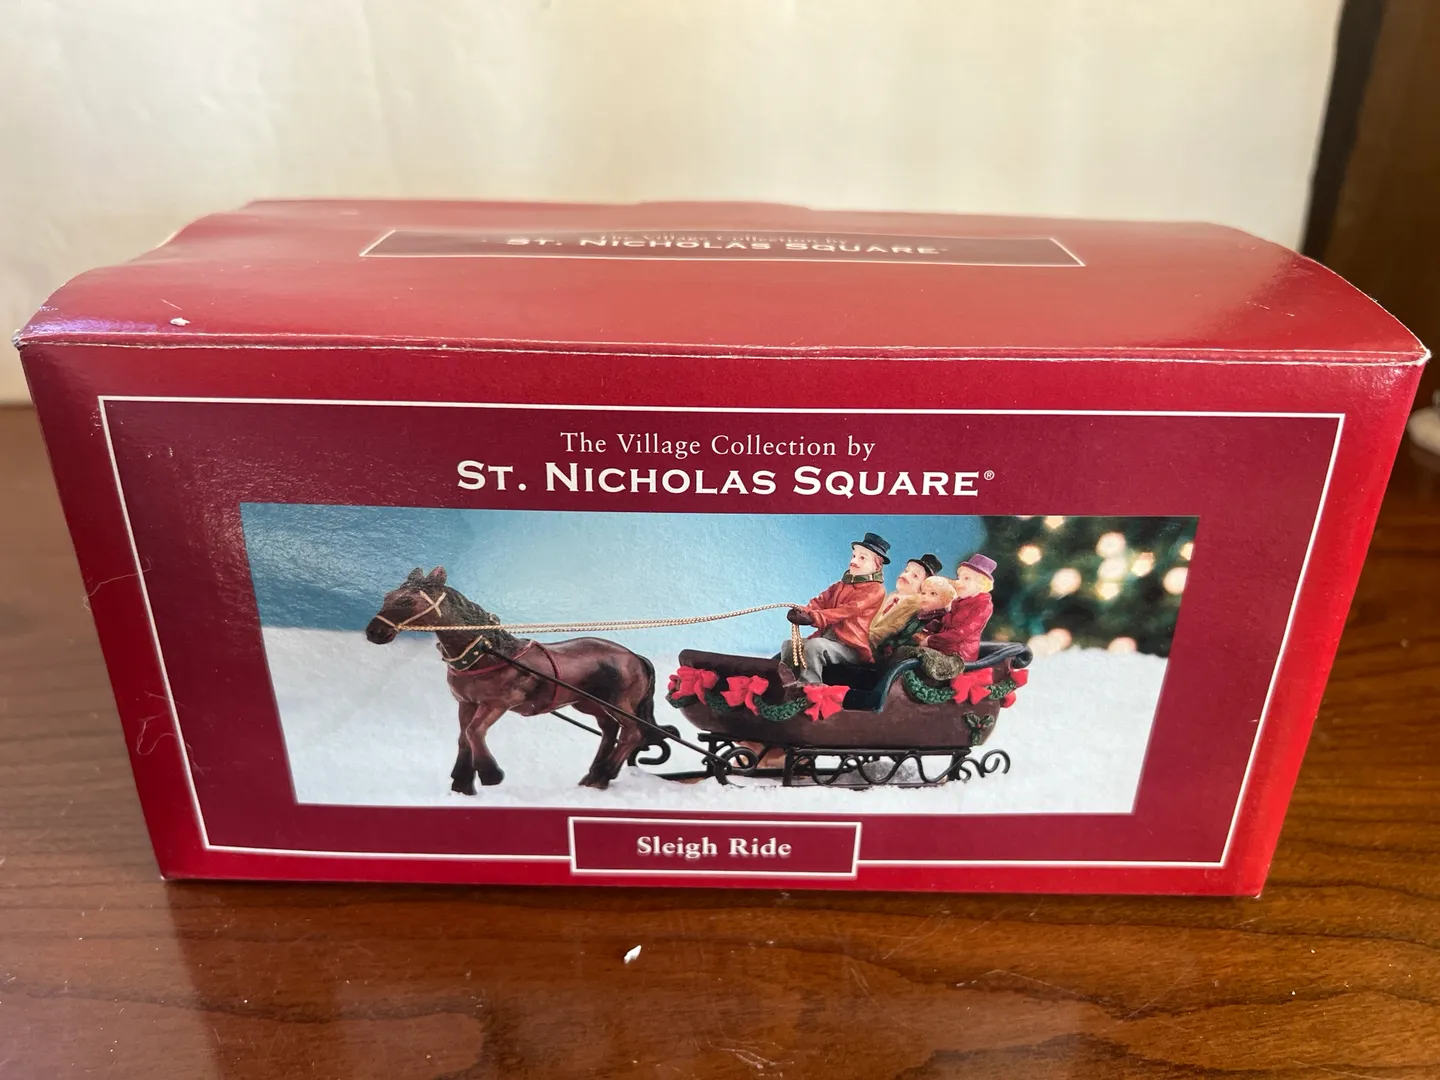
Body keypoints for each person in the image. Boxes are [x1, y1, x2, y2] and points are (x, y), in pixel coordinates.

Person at [780, 532, 889, 684]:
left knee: (814, 647)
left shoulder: (875, 590)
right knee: (789, 645)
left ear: (876, 566)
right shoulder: (840, 585)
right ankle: (788, 682)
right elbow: (820, 601)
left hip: (850, 646)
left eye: (862, 558)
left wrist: (813, 617)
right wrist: (802, 611)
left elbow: (847, 610)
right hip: (828, 639)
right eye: (854, 556)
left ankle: (809, 686)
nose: (854, 561)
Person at [916, 553, 996, 664]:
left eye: (966, 578)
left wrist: (930, 640)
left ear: (981, 584)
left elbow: (960, 633)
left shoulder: (983, 605)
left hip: (958, 654)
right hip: (943, 648)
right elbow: (944, 623)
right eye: (959, 577)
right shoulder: (958, 601)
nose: (959, 582)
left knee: (917, 659)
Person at [872, 574, 956, 665]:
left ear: (946, 600)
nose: (925, 596)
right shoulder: (917, 616)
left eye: (933, 594)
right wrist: (889, 645)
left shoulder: (939, 621)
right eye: (923, 593)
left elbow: (922, 645)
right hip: (894, 655)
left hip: (910, 662)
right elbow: (899, 635)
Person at [867, 553, 942, 654]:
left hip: (876, 647)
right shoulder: (890, 597)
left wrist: (866, 637)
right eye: (906, 571)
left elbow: (893, 630)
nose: (906, 575)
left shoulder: (915, 606)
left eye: (915, 576)